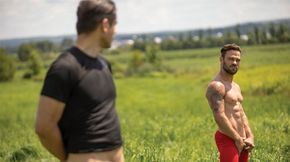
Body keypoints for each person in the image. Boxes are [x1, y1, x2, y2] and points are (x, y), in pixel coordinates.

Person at [35, 0, 124, 162]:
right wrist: (69, 158)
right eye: (115, 24)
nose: (116, 31)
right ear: (105, 25)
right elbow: (44, 127)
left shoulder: (104, 64)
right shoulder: (65, 67)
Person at [205, 44, 254, 162]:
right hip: (228, 138)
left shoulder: (235, 86)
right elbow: (219, 116)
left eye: (238, 60)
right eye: (231, 59)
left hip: (242, 139)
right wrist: (236, 138)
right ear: (221, 59)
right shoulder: (216, 86)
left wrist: (250, 136)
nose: (235, 63)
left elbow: (241, 113)